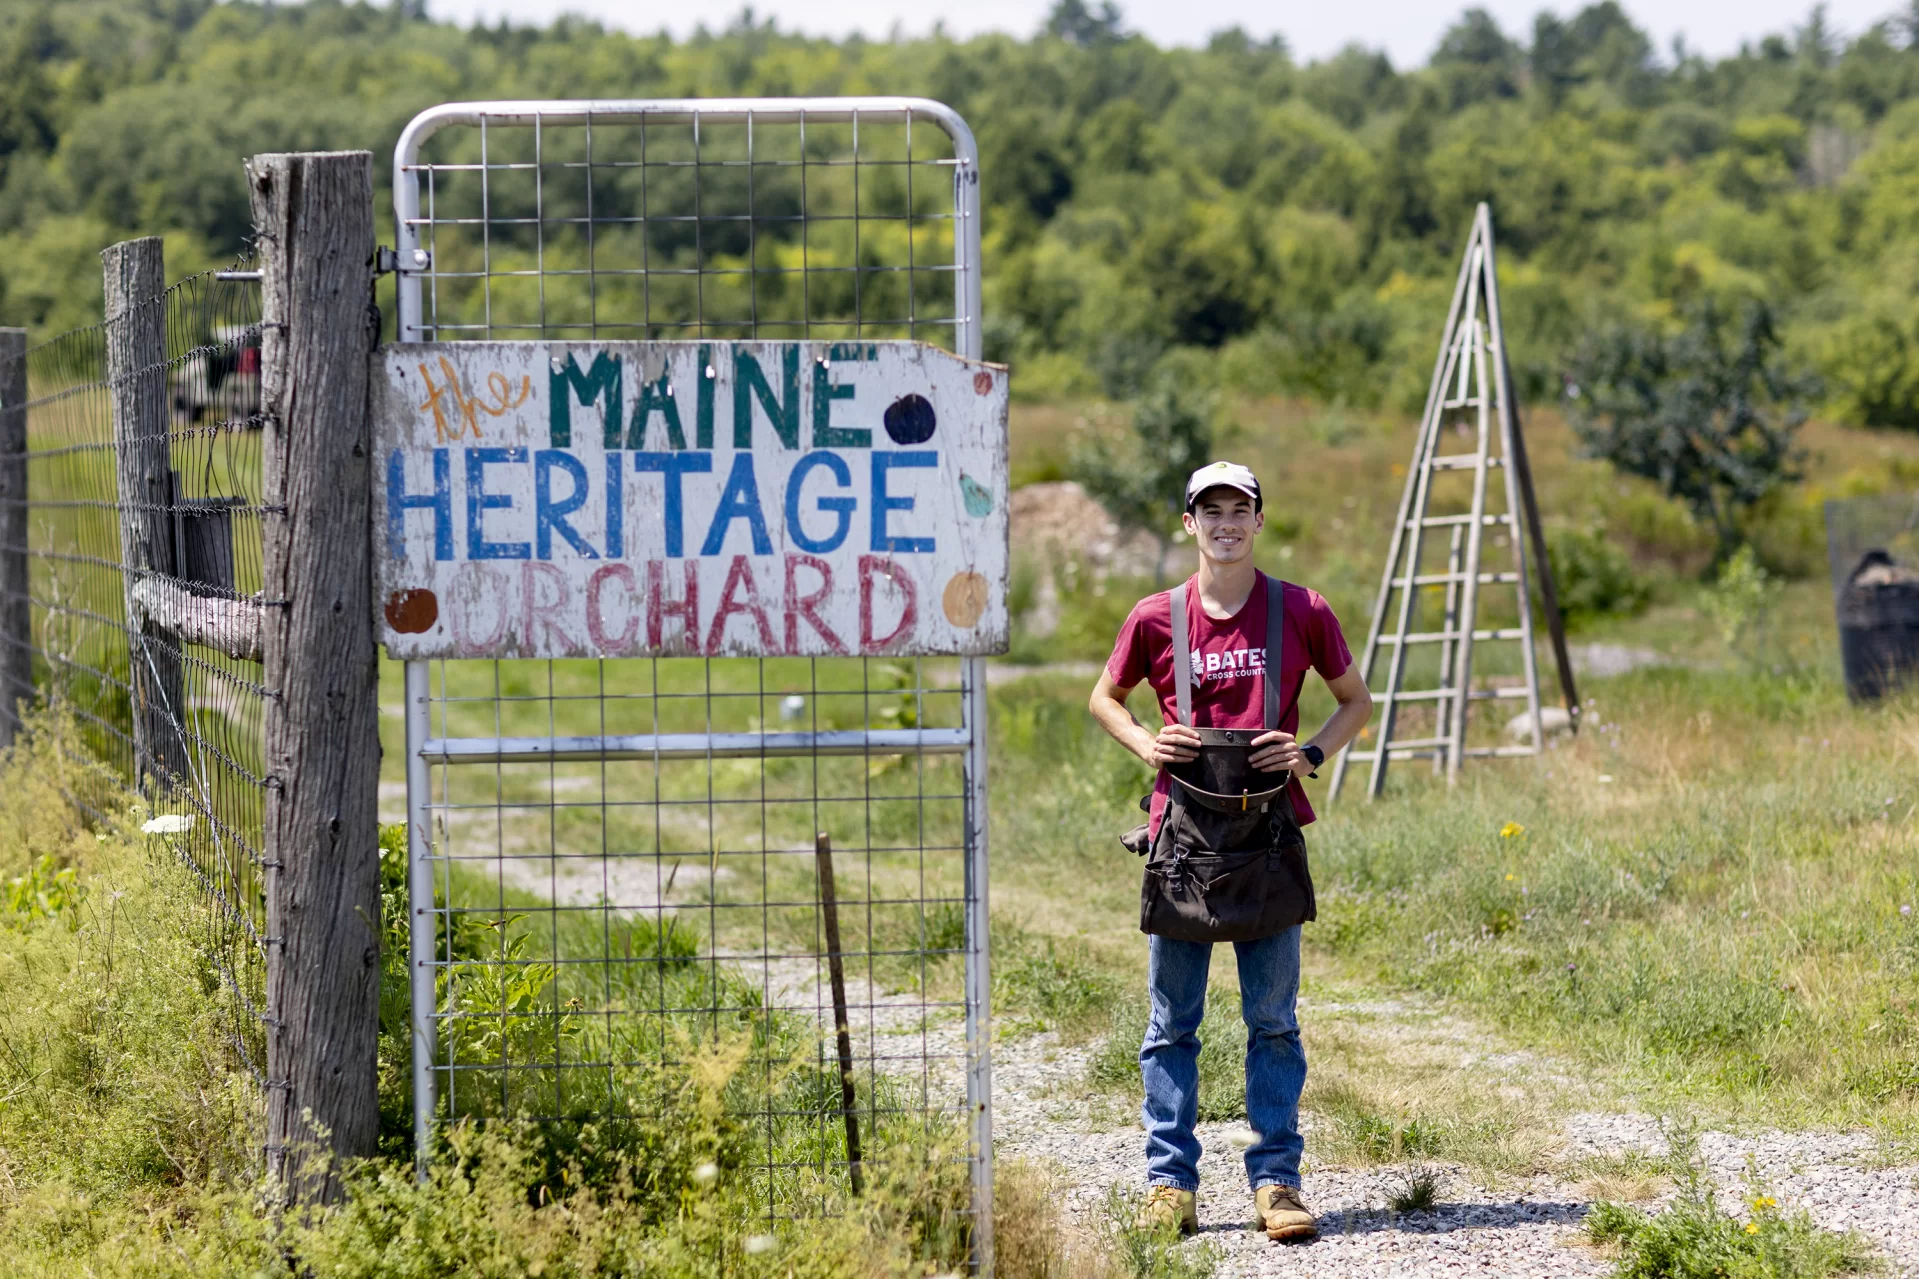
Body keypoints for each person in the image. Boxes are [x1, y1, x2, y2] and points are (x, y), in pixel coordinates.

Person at [1088, 460, 1373, 1243]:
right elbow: (1102, 698)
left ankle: (1277, 1182)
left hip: (1269, 840)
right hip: (1181, 839)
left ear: (1258, 519)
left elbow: (1356, 702)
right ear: (1188, 523)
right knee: (1170, 1023)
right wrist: (1148, 741)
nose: (1224, 522)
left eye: (1237, 509)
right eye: (1208, 510)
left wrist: (1310, 753)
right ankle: (1167, 1186)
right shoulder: (1155, 616)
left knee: (1272, 1020)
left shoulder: (1301, 609)